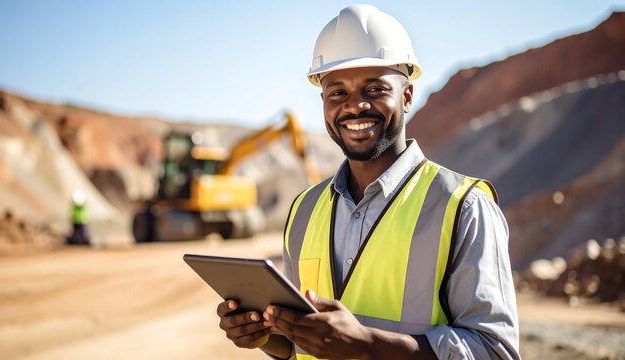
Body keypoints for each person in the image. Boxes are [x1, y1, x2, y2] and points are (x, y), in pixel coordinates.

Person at [216, 5, 520, 359]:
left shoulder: (463, 206)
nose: (355, 106)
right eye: (338, 92)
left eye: (374, 89)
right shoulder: (304, 210)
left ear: (406, 95)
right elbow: (299, 342)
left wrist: (368, 346)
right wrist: (264, 335)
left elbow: (495, 351)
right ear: (323, 102)